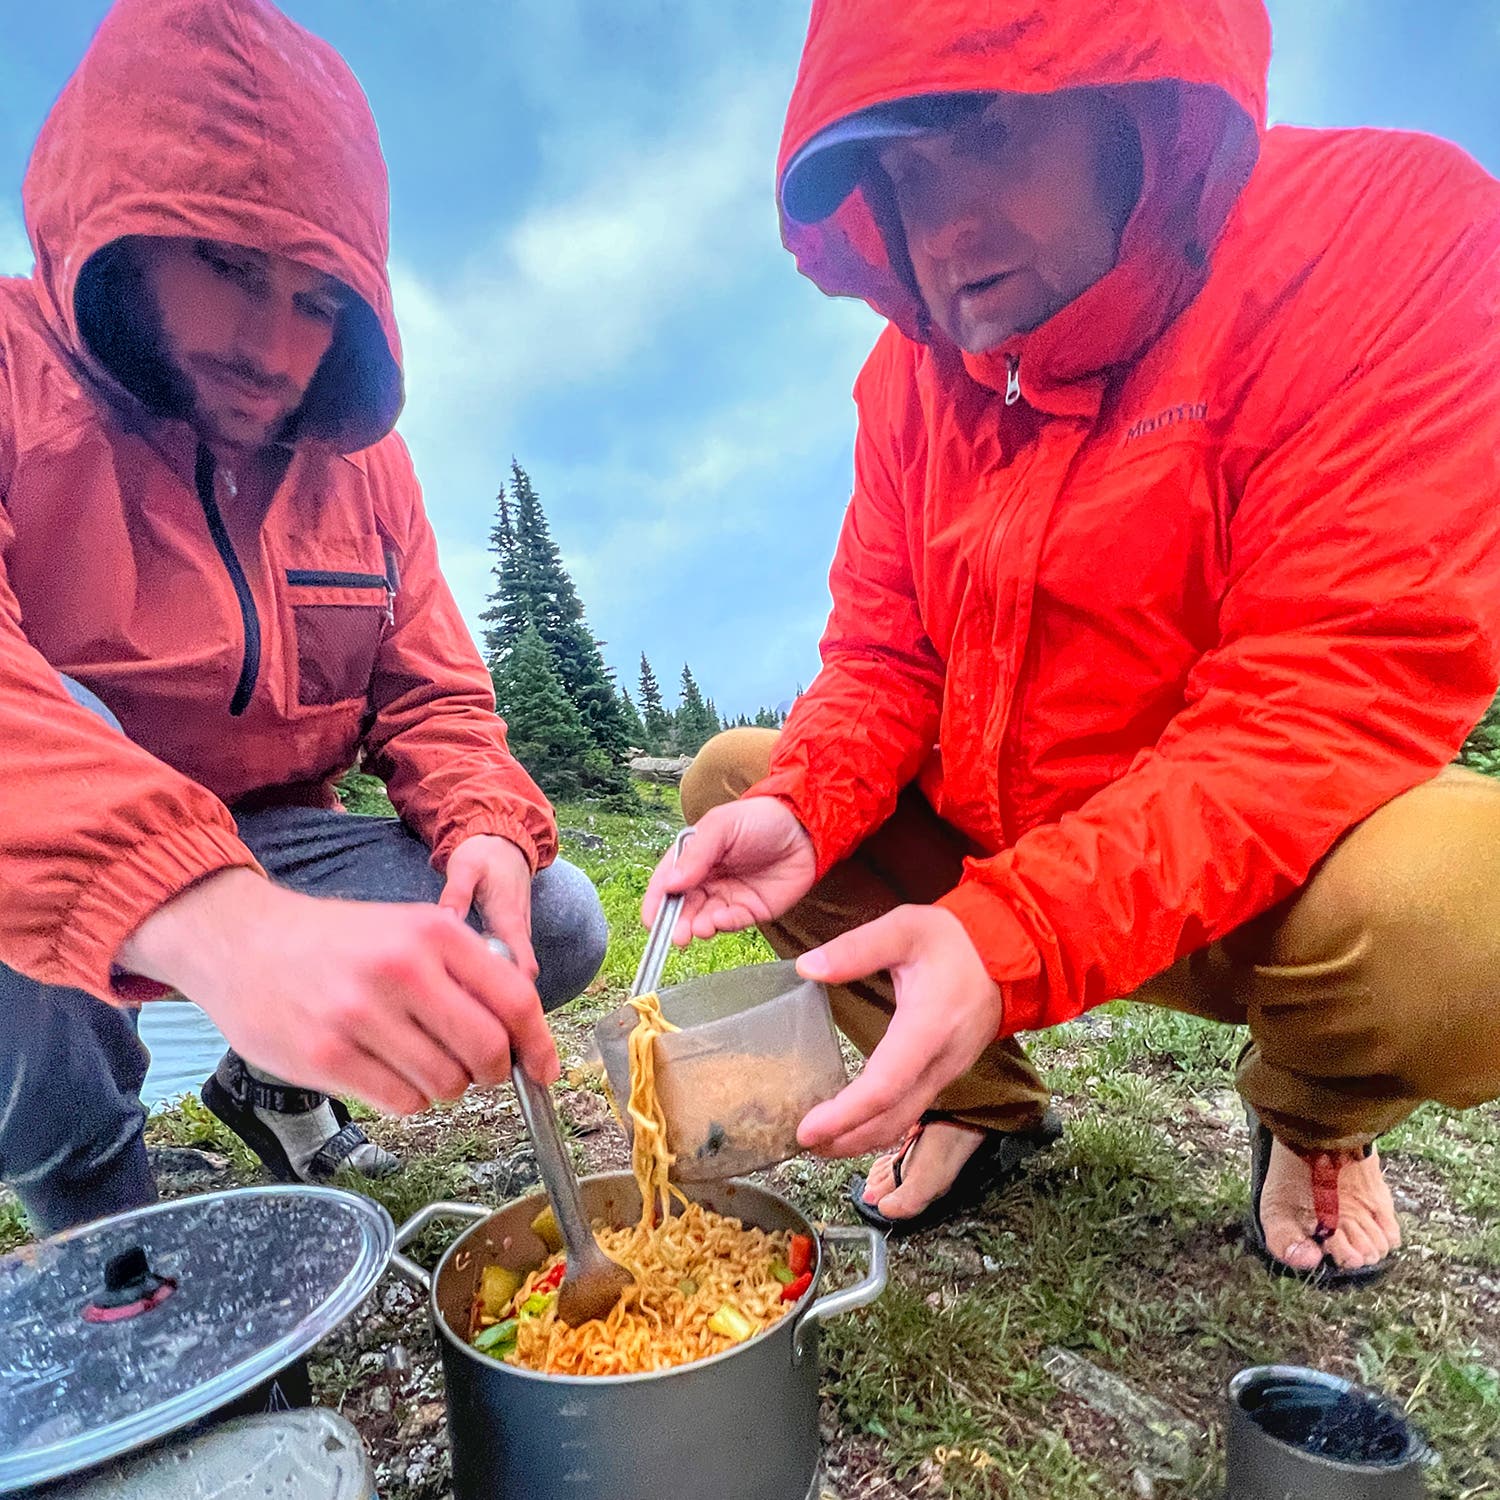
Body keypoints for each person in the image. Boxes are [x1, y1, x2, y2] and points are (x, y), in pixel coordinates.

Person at [647, 0, 1500, 1282]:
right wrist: (816, 804)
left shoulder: (1383, 236)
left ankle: (1314, 1120)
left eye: (986, 132)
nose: (942, 235)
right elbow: (886, 655)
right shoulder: (908, 375)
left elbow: (1323, 691)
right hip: (998, 848)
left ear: (1139, 96)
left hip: (1263, 877)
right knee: (743, 783)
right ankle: (972, 1099)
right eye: (898, 169)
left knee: (1467, 913)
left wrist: (1012, 935)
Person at [0, 0, 607, 1234]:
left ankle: (273, 1093)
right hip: (42, 850)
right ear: (115, 236)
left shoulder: (363, 468)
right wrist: (222, 924)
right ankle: (107, 1232)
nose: (272, 348)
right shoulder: (16, 381)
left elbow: (433, 692)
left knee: (546, 918)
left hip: (276, 838)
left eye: (317, 302)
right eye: (226, 268)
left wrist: (485, 824)